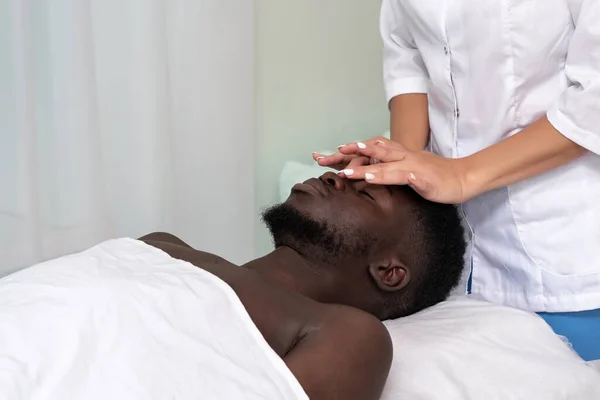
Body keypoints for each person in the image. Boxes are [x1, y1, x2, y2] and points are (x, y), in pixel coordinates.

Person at [313, 1, 600, 361]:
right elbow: (409, 59)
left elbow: (593, 97)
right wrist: (400, 164)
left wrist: (460, 175)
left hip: (565, 246)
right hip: (454, 259)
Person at [140, 171, 466, 399]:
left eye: (365, 193)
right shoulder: (161, 245)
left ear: (389, 272)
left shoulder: (348, 336)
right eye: (342, 173)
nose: (332, 177)